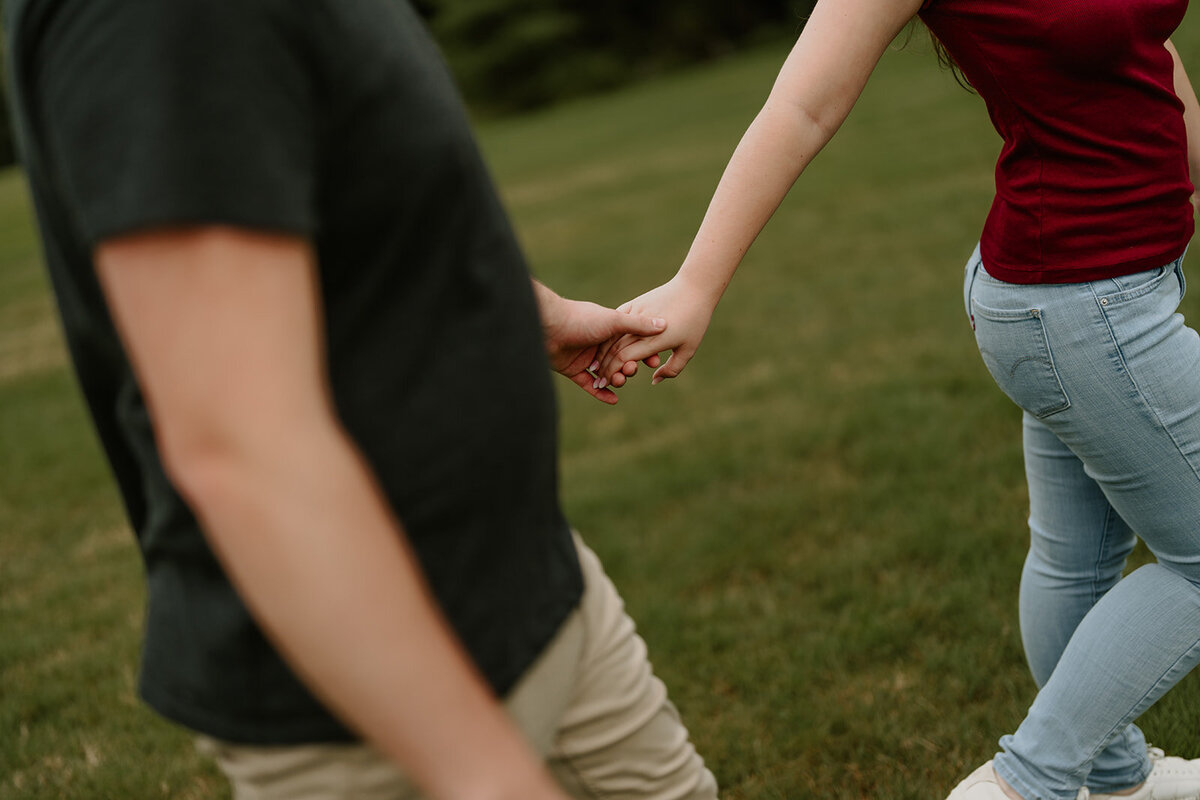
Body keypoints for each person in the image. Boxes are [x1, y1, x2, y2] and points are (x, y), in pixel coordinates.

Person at [2, 1, 720, 798]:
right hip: (372, 701)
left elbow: (343, 190)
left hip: (531, 578)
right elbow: (240, 444)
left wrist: (518, 310)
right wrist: (483, 776)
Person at [593, 0, 1200, 798]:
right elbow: (803, 106)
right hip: (1084, 309)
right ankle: (1025, 785)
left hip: (1111, 289)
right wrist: (698, 282)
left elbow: (1146, 53)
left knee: (1076, 555)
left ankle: (1113, 780)